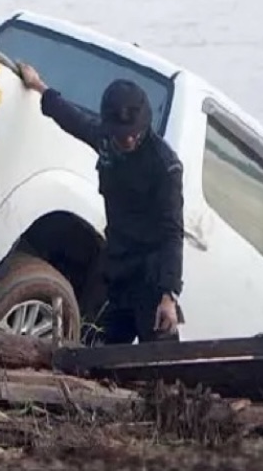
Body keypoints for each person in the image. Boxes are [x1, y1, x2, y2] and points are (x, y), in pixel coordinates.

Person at [16, 65, 185, 344]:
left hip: (152, 280)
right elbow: (73, 119)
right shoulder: (108, 142)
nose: (128, 140)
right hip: (117, 271)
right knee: (97, 351)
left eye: (134, 133)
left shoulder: (165, 167)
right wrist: (39, 86)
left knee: (161, 368)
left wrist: (168, 295)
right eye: (121, 134)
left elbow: (172, 232)